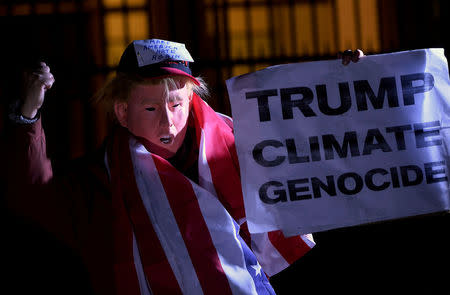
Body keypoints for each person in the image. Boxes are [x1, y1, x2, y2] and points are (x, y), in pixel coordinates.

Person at [4, 39, 363, 294]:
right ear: (121, 112)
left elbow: (319, 163)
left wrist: (348, 84)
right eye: (151, 109)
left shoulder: (245, 149)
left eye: (177, 104)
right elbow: (35, 199)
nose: (168, 123)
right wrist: (26, 119)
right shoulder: (101, 184)